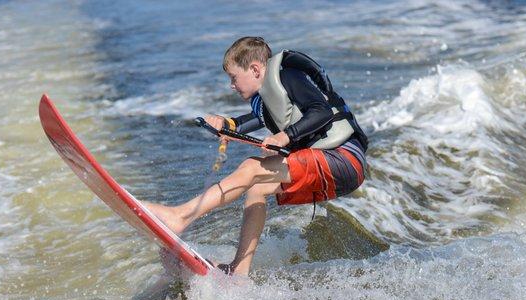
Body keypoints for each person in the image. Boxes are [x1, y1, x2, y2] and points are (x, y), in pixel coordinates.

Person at [145, 36, 368, 276]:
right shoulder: (267, 101)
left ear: (254, 69)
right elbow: (243, 124)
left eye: (233, 77)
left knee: (251, 167)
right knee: (257, 188)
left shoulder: (289, 77)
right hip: (336, 168)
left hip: (344, 159)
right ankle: (239, 272)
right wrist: (224, 124)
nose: (231, 85)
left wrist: (285, 137)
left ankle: (180, 216)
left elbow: (321, 111)